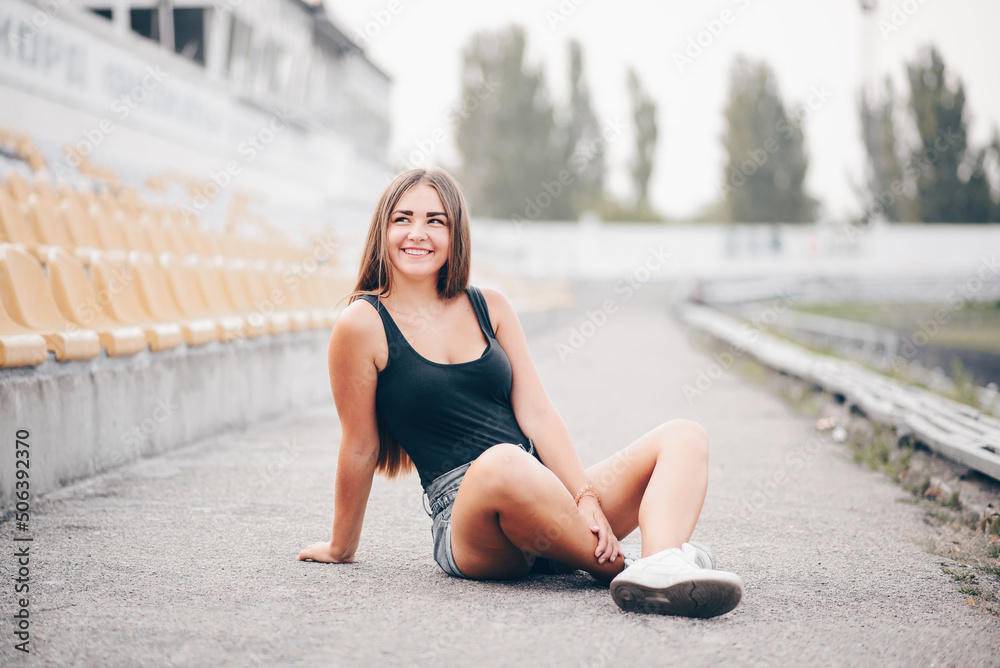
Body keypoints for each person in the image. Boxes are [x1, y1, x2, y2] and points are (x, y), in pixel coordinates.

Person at [297, 168, 744, 618]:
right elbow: (359, 445)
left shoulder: (490, 305)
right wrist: (341, 546)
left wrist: (584, 497)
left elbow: (538, 413)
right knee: (502, 461)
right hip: (473, 525)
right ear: (382, 230)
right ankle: (633, 568)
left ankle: (663, 563)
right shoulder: (361, 324)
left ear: (456, 234)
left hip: (543, 495)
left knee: (684, 435)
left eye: (436, 221)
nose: (418, 233)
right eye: (403, 219)